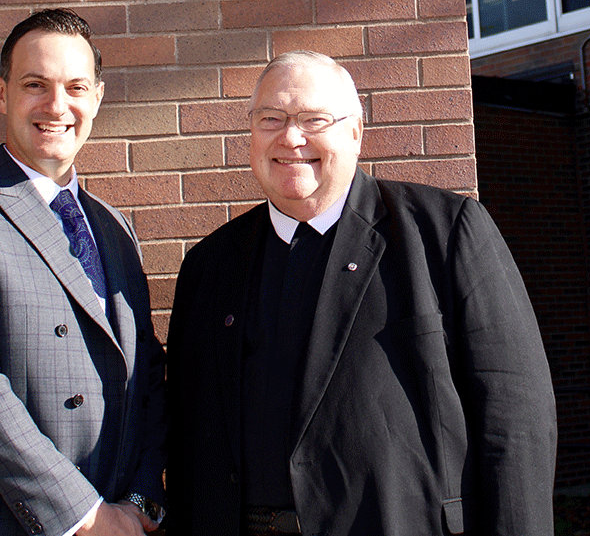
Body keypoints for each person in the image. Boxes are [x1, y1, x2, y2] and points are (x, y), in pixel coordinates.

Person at [166, 51, 557, 536]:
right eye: (271, 119)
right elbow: (185, 436)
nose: (291, 137)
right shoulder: (209, 267)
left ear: (355, 132)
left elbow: (515, 422)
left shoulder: (444, 234)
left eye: (314, 119)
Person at [0, 9, 166, 536]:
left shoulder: (115, 227)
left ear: (98, 98)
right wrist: (87, 517)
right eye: (34, 84)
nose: (56, 106)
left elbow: (146, 376)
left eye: (76, 87)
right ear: (1, 93)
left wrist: (138, 502)